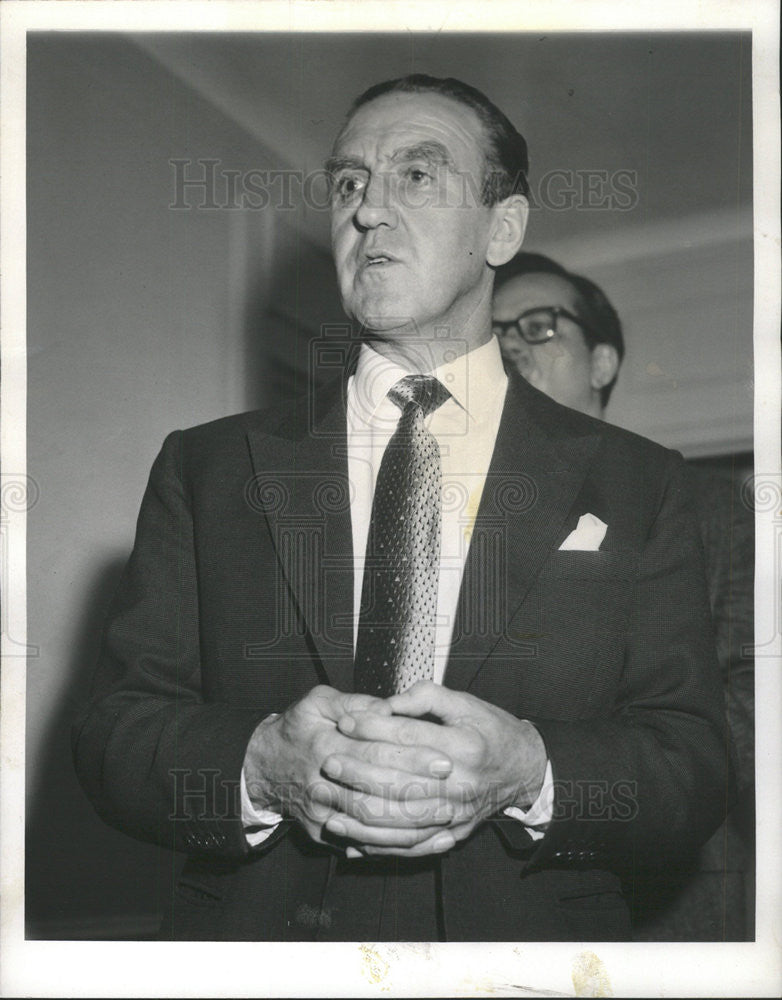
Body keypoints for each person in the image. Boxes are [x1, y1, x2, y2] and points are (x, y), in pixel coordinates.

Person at [73, 75, 731, 942]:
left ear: (504, 228)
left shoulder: (642, 484)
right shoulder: (208, 465)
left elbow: (692, 764)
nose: (368, 213)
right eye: (350, 182)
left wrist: (530, 770)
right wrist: (259, 768)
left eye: (416, 177)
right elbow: (116, 736)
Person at [492, 252, 754, 939]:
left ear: (603, 364)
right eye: (494, 333)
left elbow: (747, 724)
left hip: (670, 902)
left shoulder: (712, 510)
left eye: (539, 325)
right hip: (507, 906)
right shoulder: (467, 517)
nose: (510, 343)